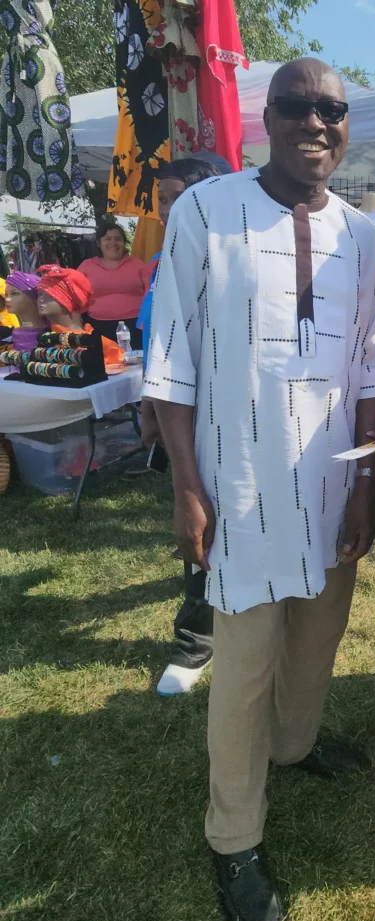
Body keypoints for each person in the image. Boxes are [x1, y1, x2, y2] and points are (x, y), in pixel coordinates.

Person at [144, 58, 375, 921]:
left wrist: (366, 484)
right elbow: (170, 362)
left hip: (332, 487)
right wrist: (187, 486)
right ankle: (235, 838)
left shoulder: (364, 236)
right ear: (268, 118)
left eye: (331, 110)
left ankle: (296, 747)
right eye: (296, 107)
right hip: (239, 487)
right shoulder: (203, 212)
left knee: (318, 641)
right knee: (244, 669)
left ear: (346, 126)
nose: (315, 123)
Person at [139, 154, 232, 699]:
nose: (170, 210)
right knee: (195, 520)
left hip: (228, 416)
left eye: (178, 198)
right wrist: (150, 403)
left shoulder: (231, 257)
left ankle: (208, 636)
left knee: (217, 522)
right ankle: (196, 640)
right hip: (180, 414)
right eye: (164, 201)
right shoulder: (164, 261)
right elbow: (158, 340)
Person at [77, 220, 147, 350]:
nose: (113, 243)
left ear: (124, 242)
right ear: (99, 243)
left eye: (118, 239)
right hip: (97, 326)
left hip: (136, 326)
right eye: (107, 239)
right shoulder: (86, 266)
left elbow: (150, 295)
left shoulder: (138, 264)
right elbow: (76, 298)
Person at [36, 266, 124, 365]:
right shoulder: (45, 337)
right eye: (39, 295)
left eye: (50, 296)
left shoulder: (90, 342)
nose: (41, 300)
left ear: (67, 300)